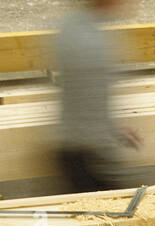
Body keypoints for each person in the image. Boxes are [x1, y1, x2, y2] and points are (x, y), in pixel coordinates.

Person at [53, 0, 141, 192]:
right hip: (85, 156)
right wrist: (116, 172)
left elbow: (82, 99)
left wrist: (112, 128)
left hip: (75, 148)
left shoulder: (74, 25)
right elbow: (89, 109)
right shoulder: (92, 43)